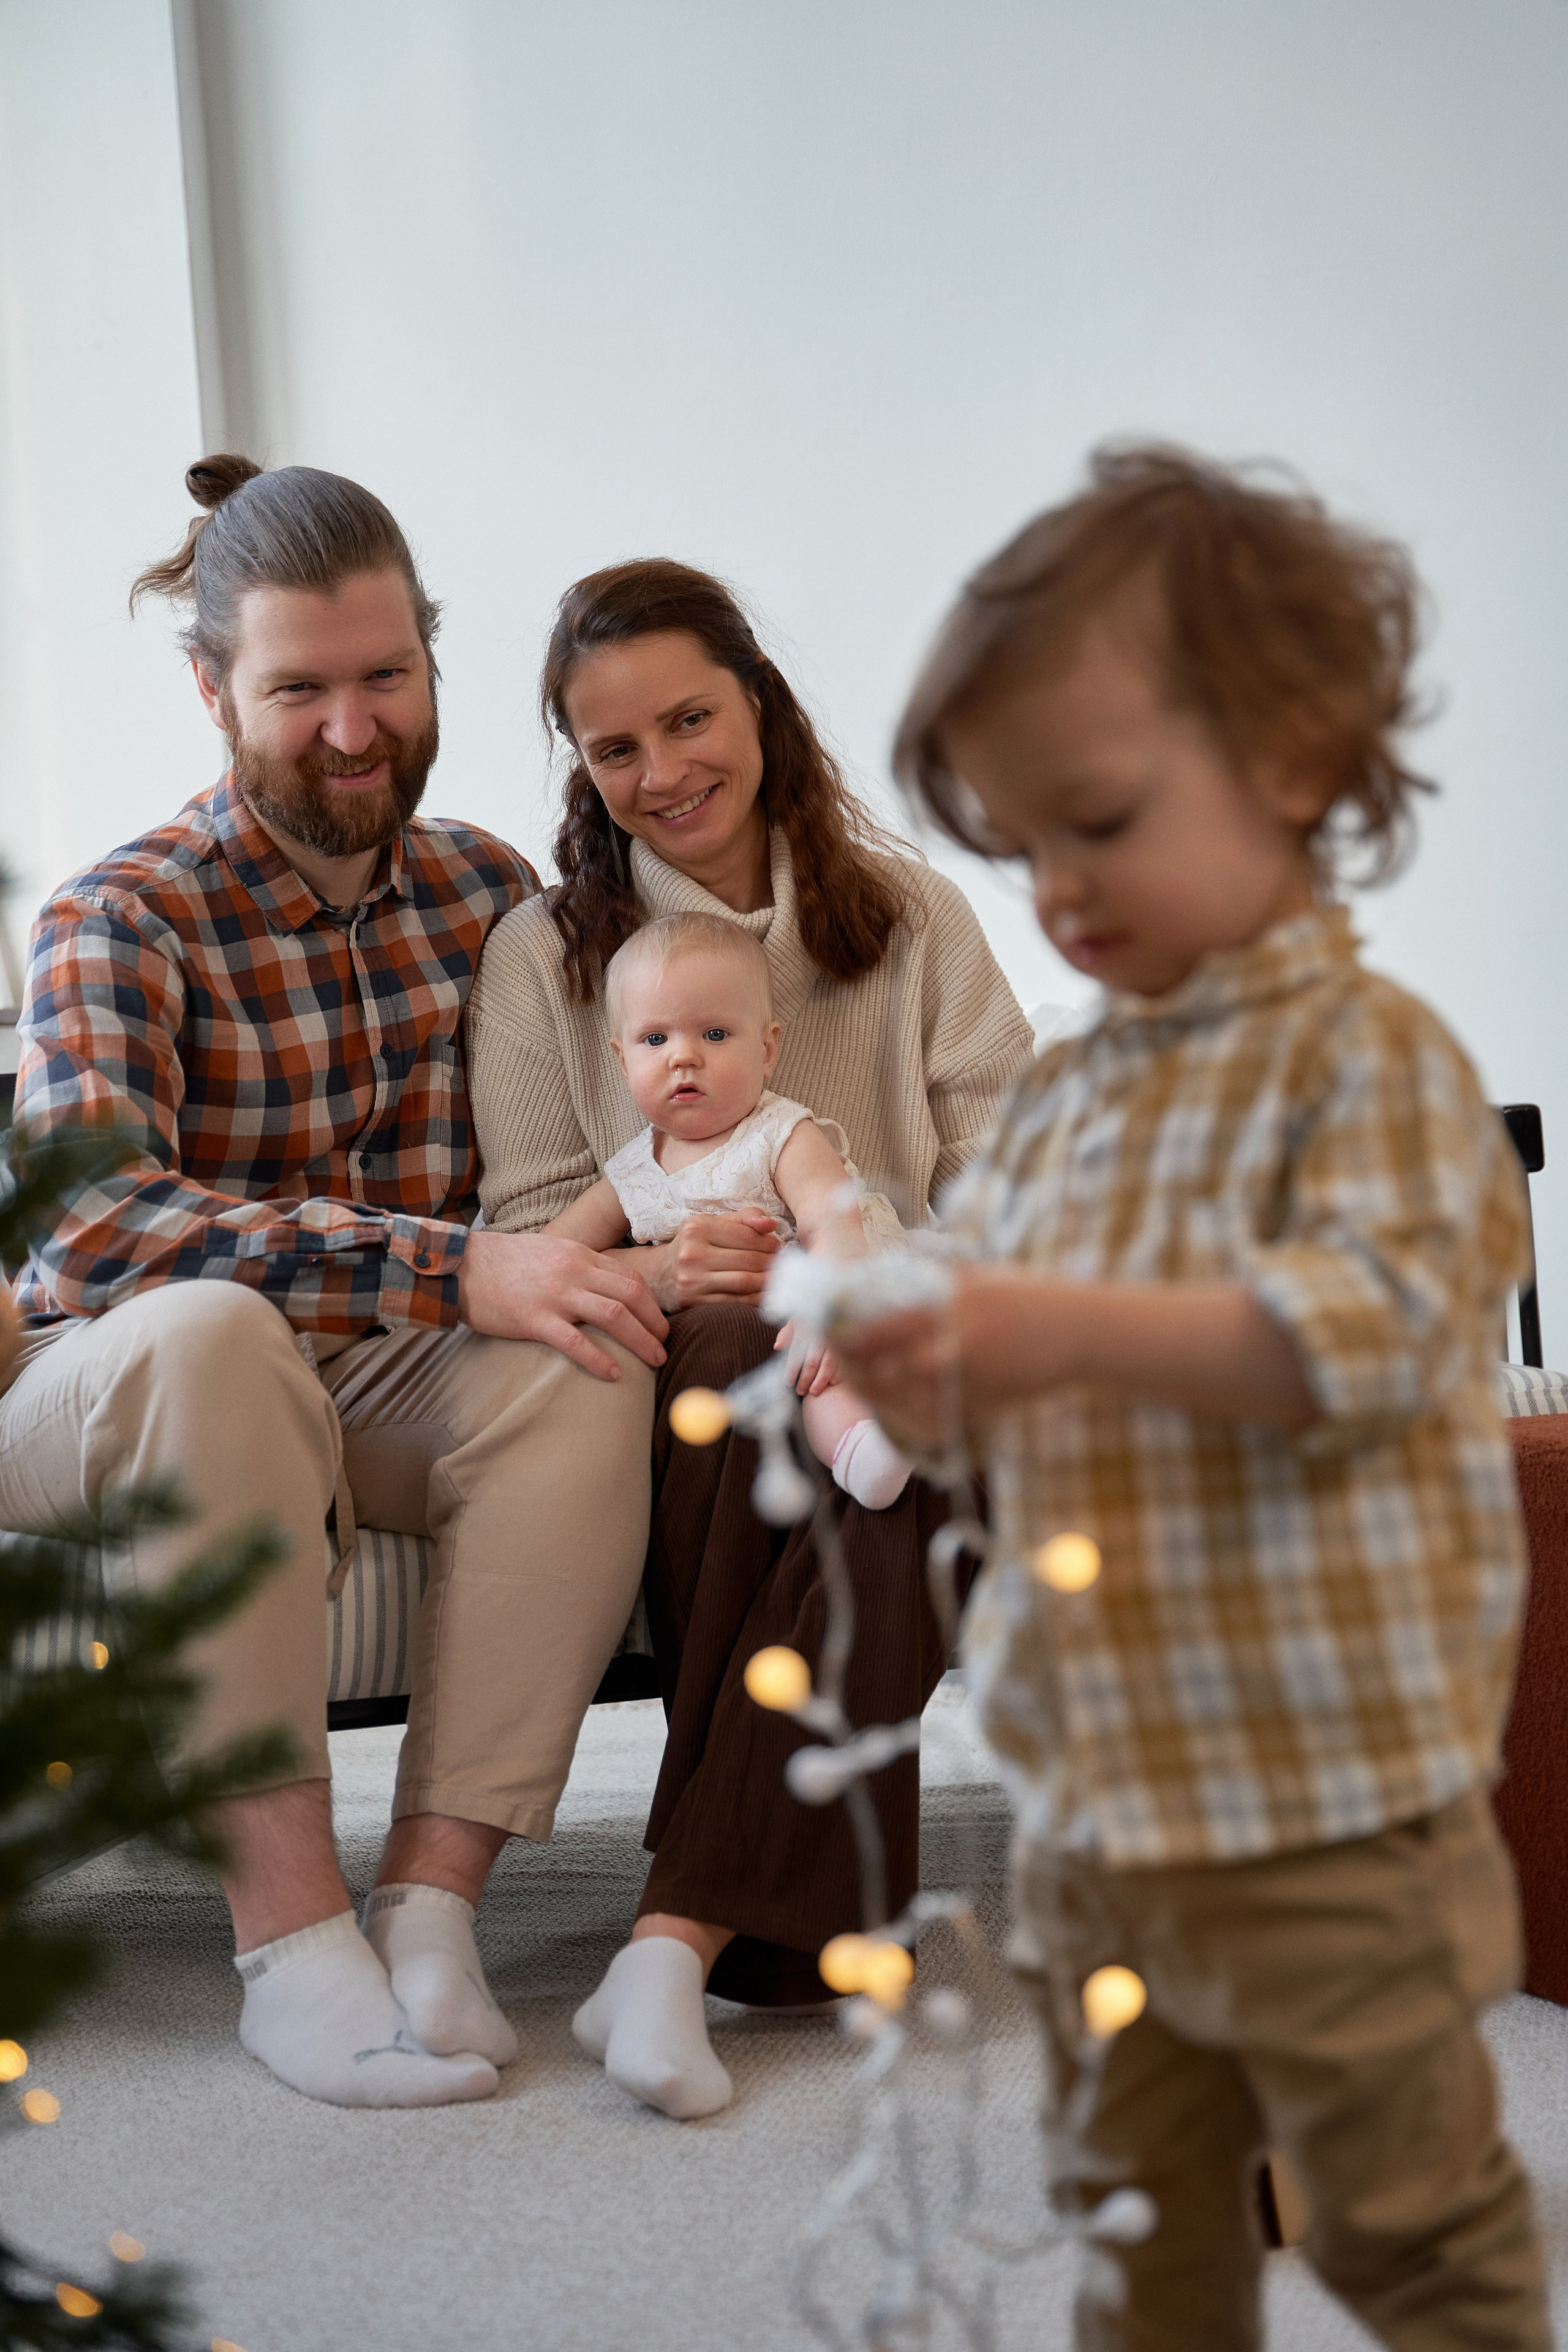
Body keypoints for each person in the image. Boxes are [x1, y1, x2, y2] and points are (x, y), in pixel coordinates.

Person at [841, 445, 1548, 2349]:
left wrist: (1054, 1324)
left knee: (1406, 2220)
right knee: (1137, 2219)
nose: (1057, 893)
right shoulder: (1060, 1100)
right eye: (1020, 850)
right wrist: (915, 1381)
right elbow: (979, 1388)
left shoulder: (1371, 1062)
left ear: (1295, 757)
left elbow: (1360, 1337)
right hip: (1095, 1809)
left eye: (1097, 821)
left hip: (1328, 1807)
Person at [1, 456, 671, 2111]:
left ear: (434, 660)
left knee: (583, 1347)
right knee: (220, 1333)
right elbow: (93, 1239)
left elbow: (594, 1134)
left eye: (389, 677)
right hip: (97, 1385)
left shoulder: (486, 891)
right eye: (301, 689)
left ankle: (431, 1911)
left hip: (352, 1376)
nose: (356, 730)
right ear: (214, 687)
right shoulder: (123, 916)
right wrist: (450, 1265)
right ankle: (294, 1953)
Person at [466, 557, 1032, 2117]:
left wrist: (852, 1263)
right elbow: (529, 1222)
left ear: (760, 705)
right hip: (662, 1367)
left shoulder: (904, 912)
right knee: (769, 1374)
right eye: (612, 748)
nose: (662, 773)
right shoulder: (543, 956)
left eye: (690, 719)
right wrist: (670, 1252)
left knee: (899, 1419)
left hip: (882, 1339)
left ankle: (676, 1932)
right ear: (578, 767)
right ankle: (731, 1922)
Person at [545, 910, 912, 1510]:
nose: (683, 1058)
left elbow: (829, 1214)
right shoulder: (631, 1173)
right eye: (655, 1039)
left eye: (714, 1035)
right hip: (718, 1359)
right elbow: (556, 1254)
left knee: (827, 1365)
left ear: (767, 1049)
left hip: (824, 1295)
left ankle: (860, 1449)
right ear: (621, 1061)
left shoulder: (778, 1131)